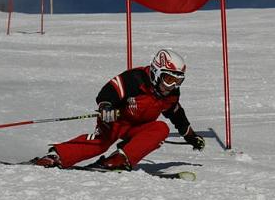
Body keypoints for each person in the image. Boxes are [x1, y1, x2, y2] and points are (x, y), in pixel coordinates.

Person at [34, 49, 205, 171]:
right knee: (101, 143)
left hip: (138, 128)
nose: (172, 86)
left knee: (161, 128)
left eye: (177, 81)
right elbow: (108, 91)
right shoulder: (135, 78)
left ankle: (120, 159)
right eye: (168, 79)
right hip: (115, 119)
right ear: (156, 72)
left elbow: (177, 114)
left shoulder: (170, 94)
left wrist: (191, 137)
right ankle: (57, 156)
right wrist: (106, 107)